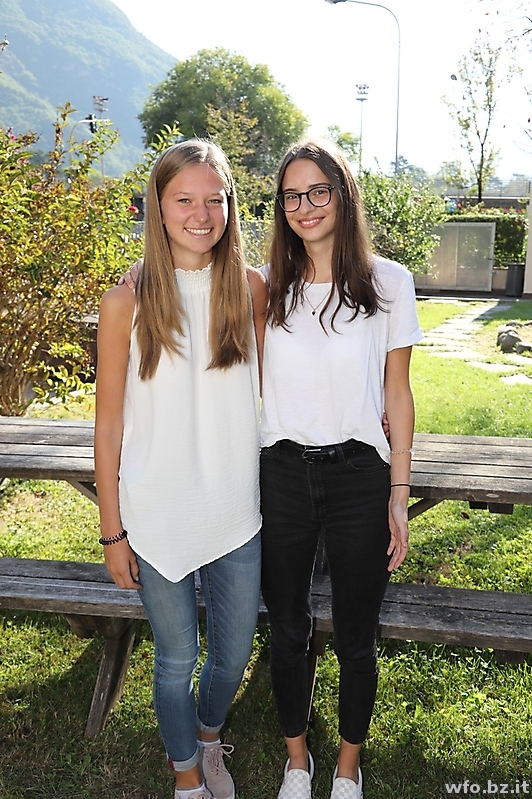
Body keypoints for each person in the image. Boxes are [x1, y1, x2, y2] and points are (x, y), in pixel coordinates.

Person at [94, 139, 267, 799]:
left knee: (232, 653)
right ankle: (188, 777)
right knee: (175, 660)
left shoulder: (250, 289)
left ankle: (208, 734)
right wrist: (113, 530)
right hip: (156, 513)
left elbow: (280, 387)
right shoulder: (125, 302)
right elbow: (109, 426)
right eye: (183, 200)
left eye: (214, 199)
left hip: (235, 509)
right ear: (157, 207)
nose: (201, 214)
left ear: (231, 205)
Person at [259, 138, 422, 799]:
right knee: (287, 628)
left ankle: (347, 768)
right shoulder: (265, 286)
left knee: (356, 633)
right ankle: (297, 761)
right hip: (280, 475)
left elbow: (397, 394)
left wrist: (399, 492)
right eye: (291, 196)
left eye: (318, 191)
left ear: (343, 194)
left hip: (359, 475)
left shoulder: (390, 283)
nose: (305, 206)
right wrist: (137, 272)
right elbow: (187, 278)